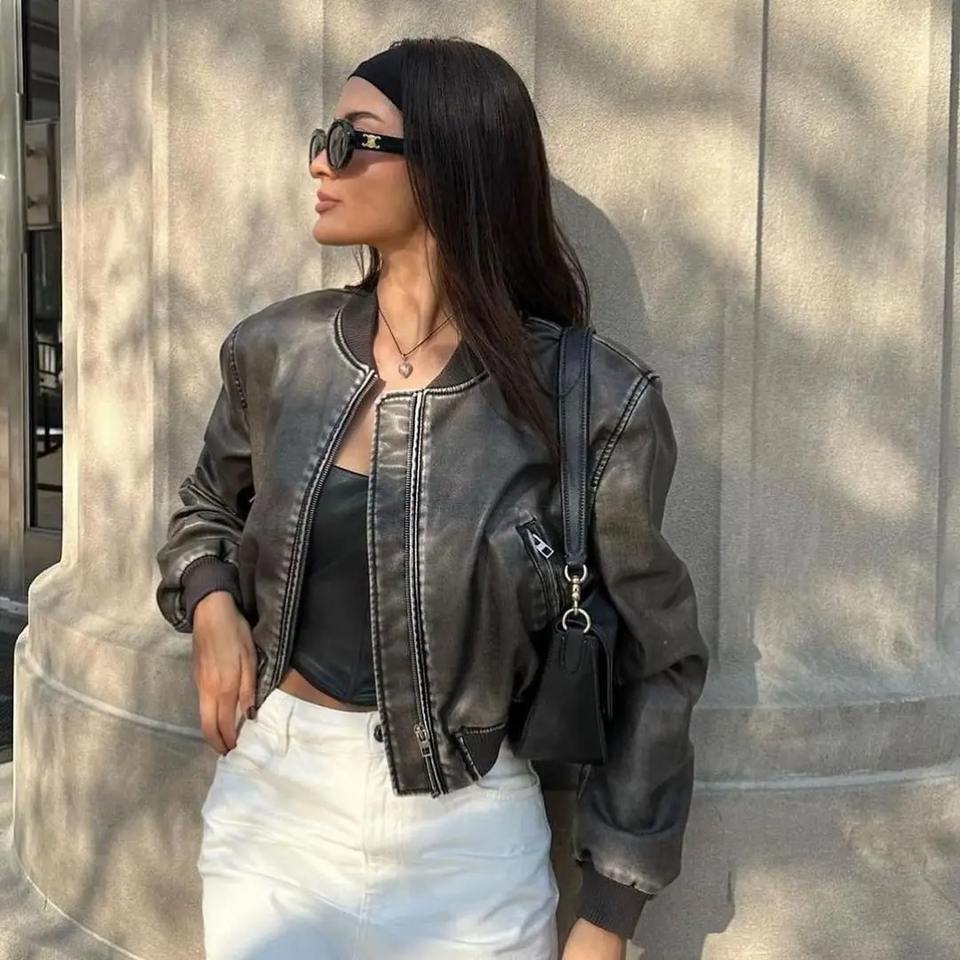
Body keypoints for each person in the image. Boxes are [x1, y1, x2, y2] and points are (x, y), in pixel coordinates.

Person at [155, 36, 709, 960]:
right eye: (322, 137)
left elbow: (661, 661)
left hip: (469, 841)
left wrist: (609, 913)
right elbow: (206, 506)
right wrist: (212, 606)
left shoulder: (593, 400)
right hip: (274, 811)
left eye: (351, 138)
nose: (319, 162)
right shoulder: (277, 350)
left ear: (449, 165)